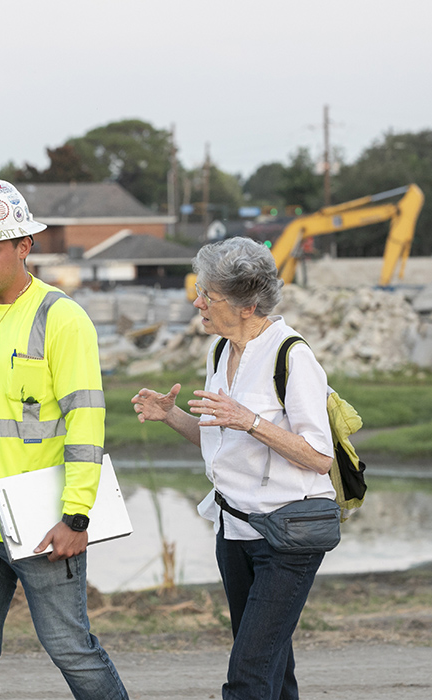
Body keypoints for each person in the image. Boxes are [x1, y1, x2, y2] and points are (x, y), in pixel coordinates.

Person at [0, 179, 128, 700]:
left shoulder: (62, 319)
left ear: (24, 247)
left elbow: (85, 424)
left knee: (70, 648)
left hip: (44, 521)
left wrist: (78, 516)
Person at [131, 236, 334, 700]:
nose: (197, 301)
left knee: (247, 677)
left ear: (249, 304)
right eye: (200, 289)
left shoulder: (292, 356)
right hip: (234, 532)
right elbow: (219, 439)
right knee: (272, 669)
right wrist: (172, 416)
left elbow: (319, 457)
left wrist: (252, 421)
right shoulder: (220, 352)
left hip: (287, 536)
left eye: (209, 295)